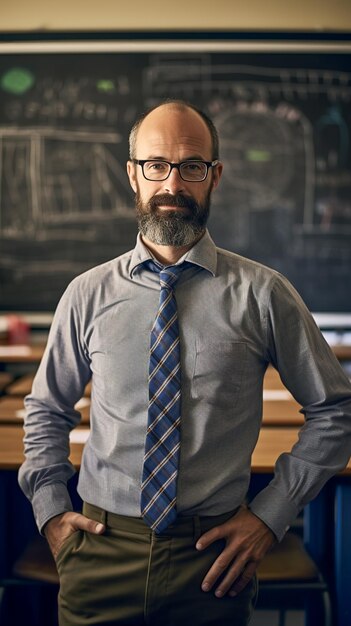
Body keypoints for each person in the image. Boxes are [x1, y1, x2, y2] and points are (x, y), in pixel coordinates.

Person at [19, 100, 351, 626]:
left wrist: (270, 517)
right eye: (156, 165)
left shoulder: (264, 295)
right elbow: (46, 410)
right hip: (100, 552)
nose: (171, 184)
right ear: (132, 175)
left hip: (214, 558)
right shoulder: (86, 293)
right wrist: (52, 512)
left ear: (214, 176)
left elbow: (336, 412)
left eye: (191, 166)